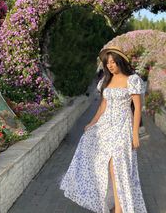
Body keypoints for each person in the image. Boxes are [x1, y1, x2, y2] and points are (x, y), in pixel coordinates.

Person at [59, 46, 148, 213]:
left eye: (113, 62)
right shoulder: (106, 81)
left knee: (118, 166)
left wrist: (135, 134)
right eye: (107, 63)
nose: (110, 66)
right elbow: (102, 107)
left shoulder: (132, 80)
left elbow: (137, 108)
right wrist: (92, 123)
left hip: (123, 126)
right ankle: (113, 202)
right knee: (106, 166)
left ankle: (120, 209)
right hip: (105, 127)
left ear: (120, 61)